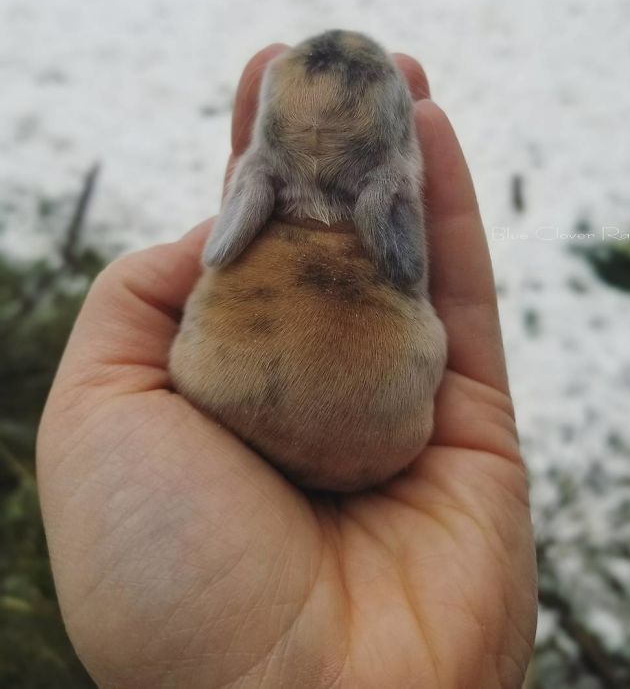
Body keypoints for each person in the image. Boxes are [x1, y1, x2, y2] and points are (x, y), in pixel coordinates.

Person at [37, 46, 537, 688]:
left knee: (215, 334)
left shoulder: (258, 177)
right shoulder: (388, 189)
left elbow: (223, 242)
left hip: (234, 390)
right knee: (415, 337)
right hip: (379, 432)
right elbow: (405, 262)